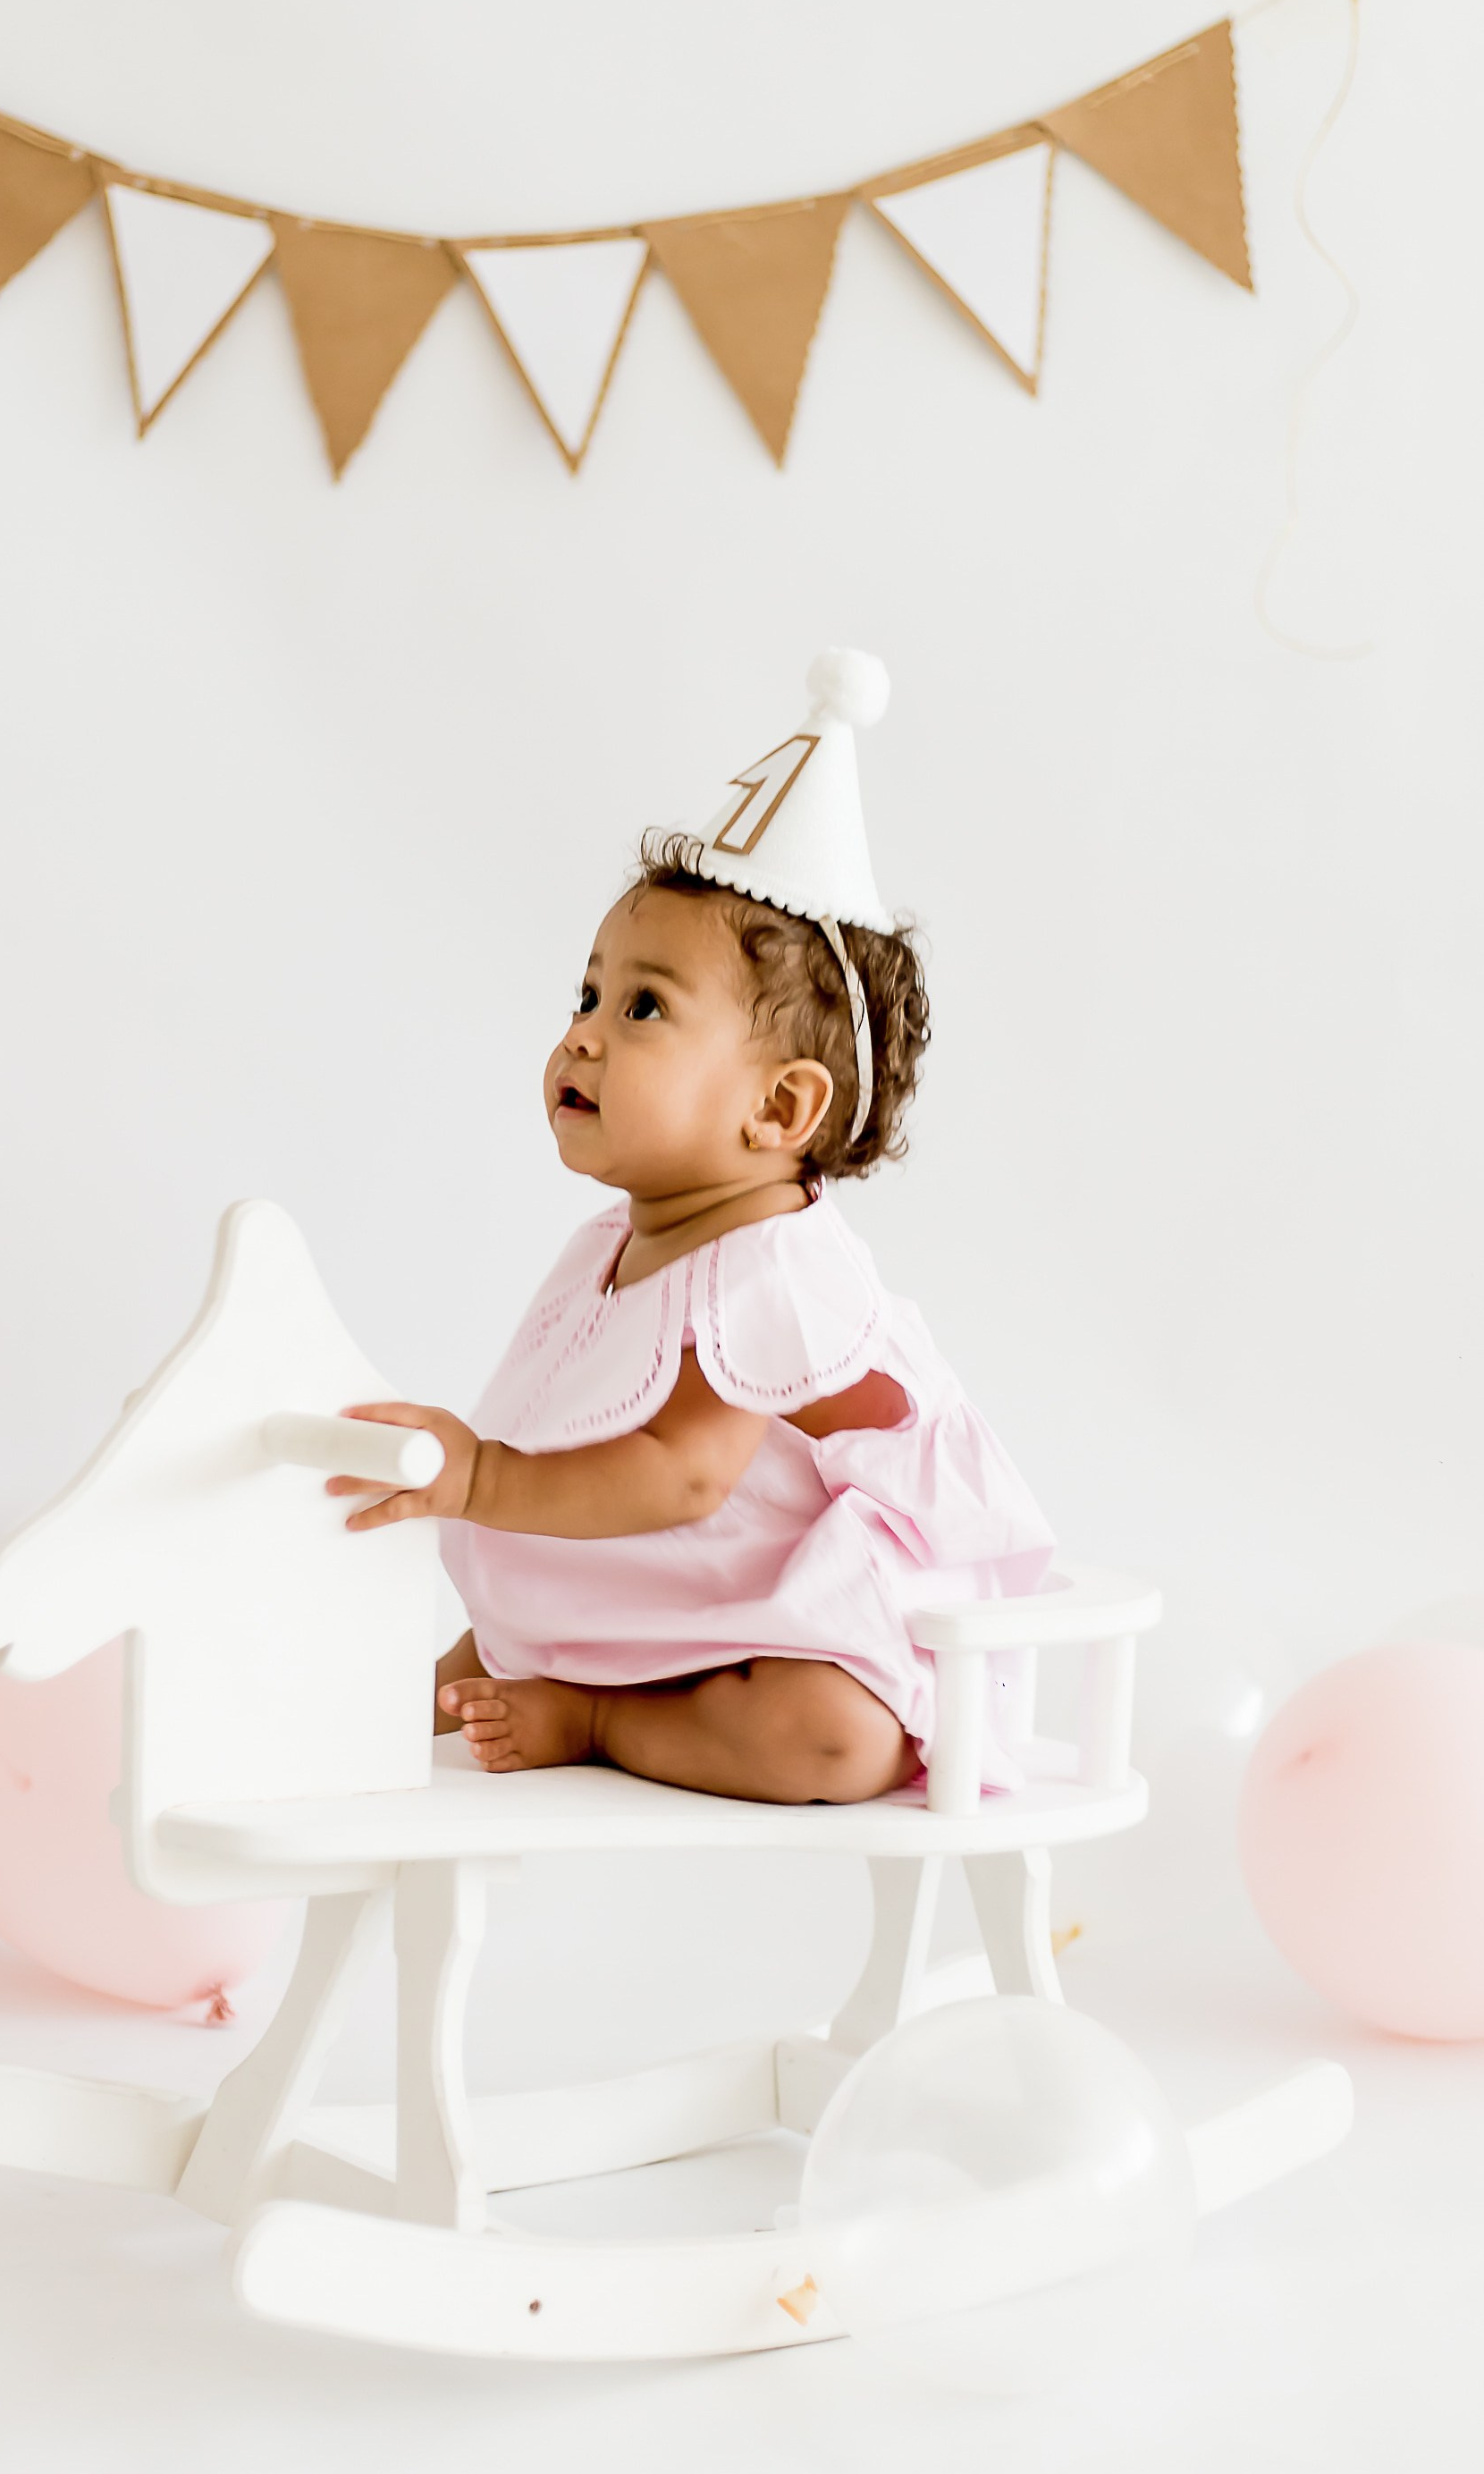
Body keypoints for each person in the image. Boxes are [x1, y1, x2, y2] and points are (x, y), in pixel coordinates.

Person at [331, 649, 1052, 1805]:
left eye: (645, 1006)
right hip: (702, 1589)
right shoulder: (613, 1248)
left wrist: (481, 1479)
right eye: (589, 995)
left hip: (824, 1599)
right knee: (502, 1633)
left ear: (780, 1108)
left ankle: (603, 1712)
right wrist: (497, 1496)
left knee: (832, 1739)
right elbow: (583, 1436)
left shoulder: (779, 1271)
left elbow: (677, 1477)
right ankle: (455, 1680)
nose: (585, 1035)